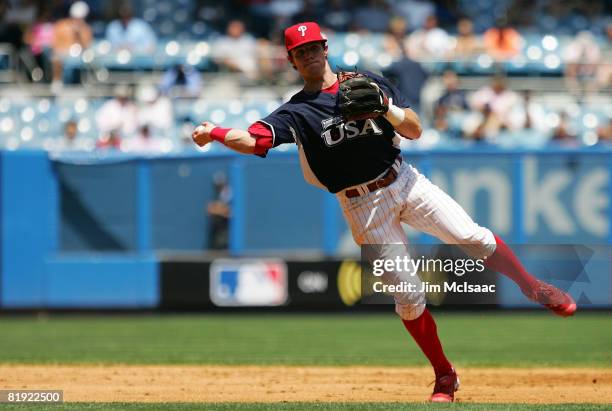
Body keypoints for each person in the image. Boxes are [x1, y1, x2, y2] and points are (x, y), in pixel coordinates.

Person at [192, 22, 576, 403]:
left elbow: (415, 129)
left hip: (404, 180)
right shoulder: (296, 112)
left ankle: (533, 286)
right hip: (361, 206)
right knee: (408, 299)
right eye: (300, 51)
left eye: (314, 47)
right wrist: (217, 131)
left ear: (326, 48)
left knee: (470, 235)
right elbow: (253, 139)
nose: (309, 55)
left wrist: (387, 108)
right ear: (292, 61)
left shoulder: (366, 81)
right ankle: (445, 376)